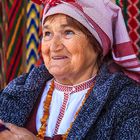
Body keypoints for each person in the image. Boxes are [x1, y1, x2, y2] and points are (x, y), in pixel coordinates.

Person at [0, 0, 140, 139]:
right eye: (48, 33)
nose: (54, 46)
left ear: (97, 45)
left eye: (68, 32)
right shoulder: (18, 89)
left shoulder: (127, 100)